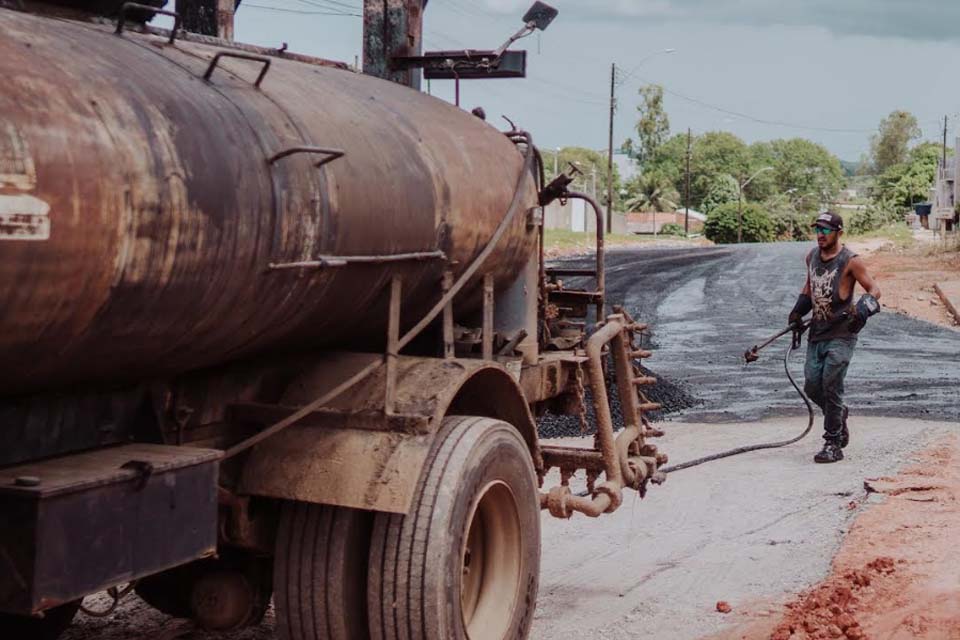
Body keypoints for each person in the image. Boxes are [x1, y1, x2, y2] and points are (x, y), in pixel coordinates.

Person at [788, 211, 881, 463]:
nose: (820, 234)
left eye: (826, 230)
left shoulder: (851, 261)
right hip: (817, 333)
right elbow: (810, 288)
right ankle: (839, 414)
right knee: (812, 385)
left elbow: (874, 289)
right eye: (818, 229)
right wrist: (798, 311)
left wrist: (863, 309)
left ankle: (832, 443)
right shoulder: (812, 257)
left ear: (839, 233)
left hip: (842, 334)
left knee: (831, 384)